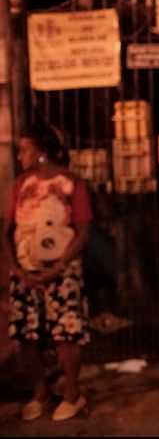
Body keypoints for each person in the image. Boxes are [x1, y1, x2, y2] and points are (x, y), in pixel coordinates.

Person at [4, 121, 91, 421]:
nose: (19, 157)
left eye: (23, 150)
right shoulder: (20, 185)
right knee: (24, 336)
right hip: (24, 273)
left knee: (66, 334)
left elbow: (83, 230)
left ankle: (72, 394)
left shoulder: (70, 183)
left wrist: (60, 266)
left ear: (41, 152)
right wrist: (16, 268)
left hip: (62, 273)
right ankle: (40, 392)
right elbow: (6, 230)